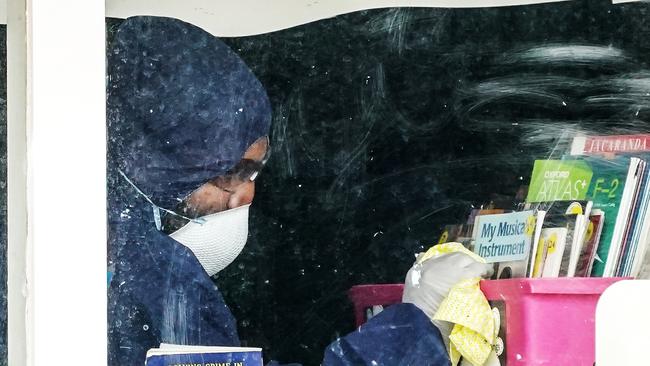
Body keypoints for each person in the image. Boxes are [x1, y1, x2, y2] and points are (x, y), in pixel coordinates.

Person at [106, 16, 271, 366]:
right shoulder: (159, 278)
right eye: (232, 173)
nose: (246, 195)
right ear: (171, 164)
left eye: (255, 171)